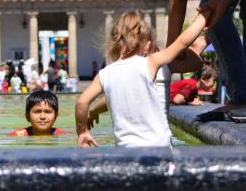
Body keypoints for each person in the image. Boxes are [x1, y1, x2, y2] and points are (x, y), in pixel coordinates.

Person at [75, 11, 209, 148]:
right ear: (146, 46)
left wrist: (82, 132)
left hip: (126, 150)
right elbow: (181, 42)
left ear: (112, 45)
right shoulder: (151, 63)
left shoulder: (104, 74)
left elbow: (82, 102)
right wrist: (203, 17)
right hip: (158, 147)